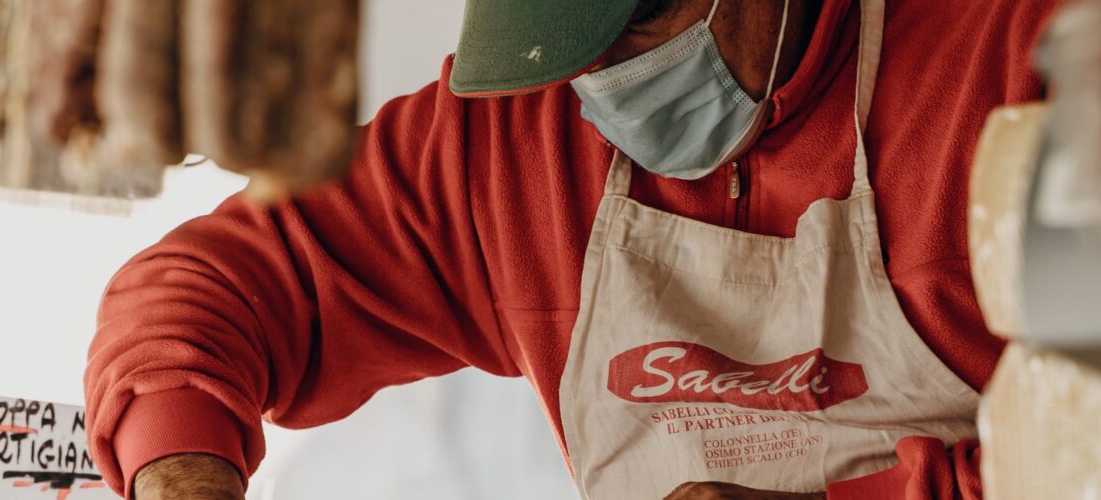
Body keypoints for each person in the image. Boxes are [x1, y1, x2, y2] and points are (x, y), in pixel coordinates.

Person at [84, 0, 1061, 498]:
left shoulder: (1020, 59)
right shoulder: (512, 141)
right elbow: (201, 288)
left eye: (634, 25)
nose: (604, 81)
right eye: (564, 47)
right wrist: (178, 466)